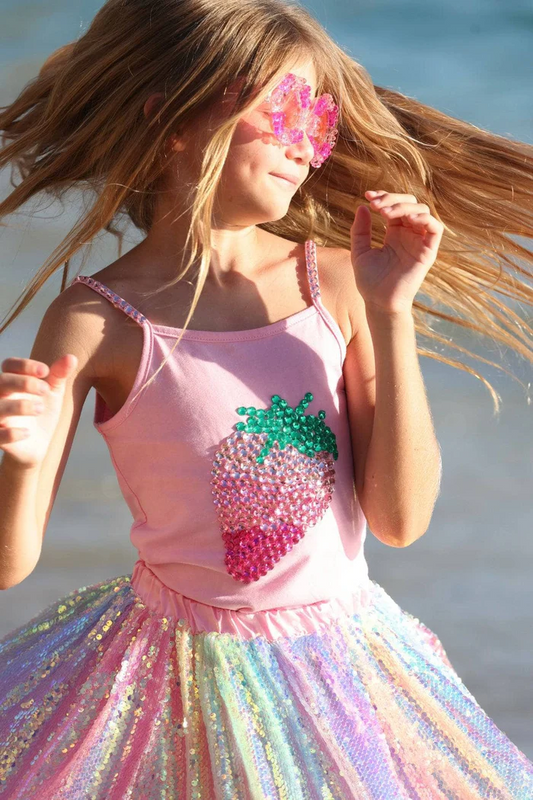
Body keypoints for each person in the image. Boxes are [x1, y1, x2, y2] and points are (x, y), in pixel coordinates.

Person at [0, 0, 532, 796]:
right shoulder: (98, 321)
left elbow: (399, 520)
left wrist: (390, 315)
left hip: (344, 659)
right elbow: (11, 564)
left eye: (319, 121)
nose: (307, 146)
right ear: (173, 119)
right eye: (284, 109)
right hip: (174, 669)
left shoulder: (343, 286)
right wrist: (19, 458)